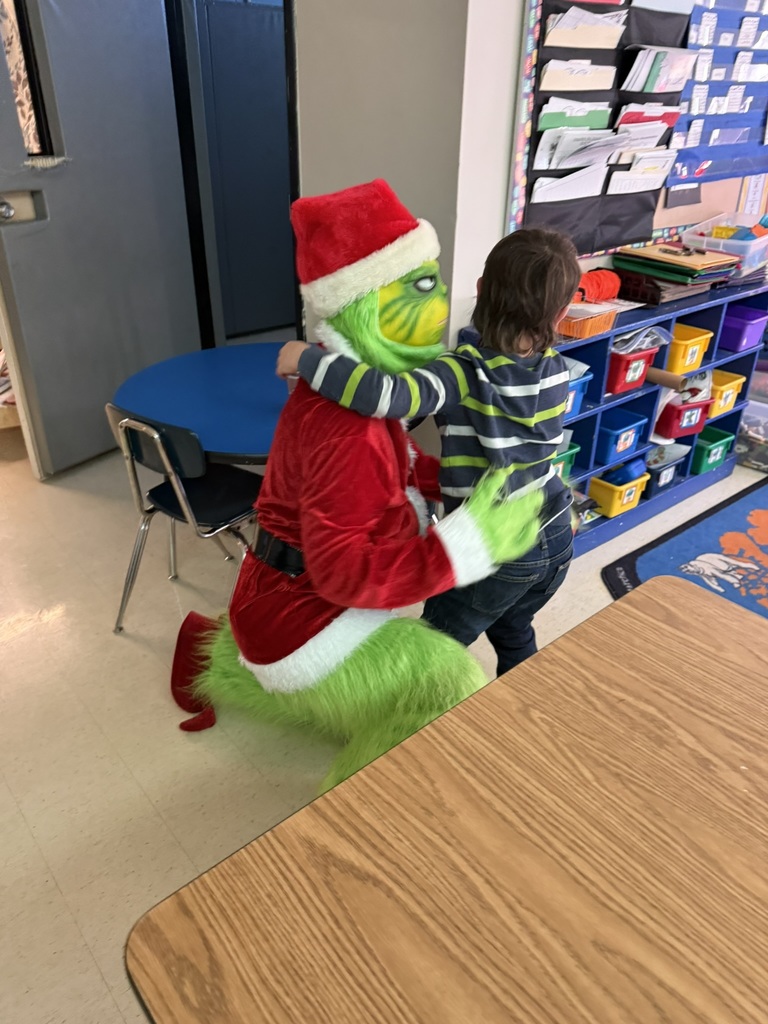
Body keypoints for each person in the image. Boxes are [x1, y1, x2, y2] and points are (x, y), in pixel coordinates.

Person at [276, 227, 579, 676]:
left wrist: (305, 358)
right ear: (563, 312)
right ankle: (522, 715)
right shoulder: (557, 370)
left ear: (479, 290)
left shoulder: (464, 370)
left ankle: (417, 735)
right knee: (514, 631)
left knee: (431, 649)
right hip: (553, 531)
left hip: (498, 547)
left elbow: (387, 396)